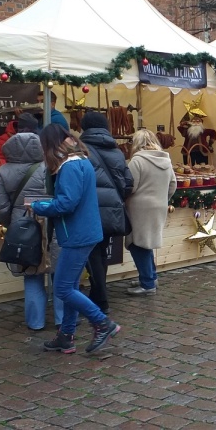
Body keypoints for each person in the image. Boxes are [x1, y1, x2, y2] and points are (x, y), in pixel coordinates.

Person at [31, 124, 120, 354]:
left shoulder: (69, 168)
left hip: (76, 235)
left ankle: (102, 323)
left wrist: (38, 206)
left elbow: (66, 204)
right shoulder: (82, 161)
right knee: (70, 286)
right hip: (85, 232)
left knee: (62, 289)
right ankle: (66, 336)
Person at [0, 121, 62, 331]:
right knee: (59, 273)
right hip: (52, 224)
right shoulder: (50, 167)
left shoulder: (3, 171)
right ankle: (62, 319)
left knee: (31, 274)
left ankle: (36, 322)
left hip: (21, 226)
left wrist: (11, 221)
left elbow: (0, 204)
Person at [78, 111, 134, 313]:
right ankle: (97, 294)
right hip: (112, 210)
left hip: (90, 210)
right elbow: (129, 183)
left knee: (93, 254)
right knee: (101, 253)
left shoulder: (81, 150)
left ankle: (101, 300)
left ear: (84, 128)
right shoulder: (117, 151)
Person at [125, 129, 177, 295]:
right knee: (146, 243)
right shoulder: (166, 160)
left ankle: (147, 283)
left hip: (139, 208)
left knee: (137, 244)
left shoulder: (137, 161)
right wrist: (162, 198)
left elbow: (130, 187)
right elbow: (173, 185)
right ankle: (149, 277)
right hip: (158, 206)